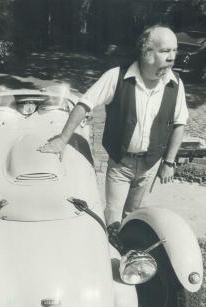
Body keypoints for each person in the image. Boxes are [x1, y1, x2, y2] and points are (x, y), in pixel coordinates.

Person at [38, 25, 188, 245]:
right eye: (165, 51)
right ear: (147, 52)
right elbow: (84, 104)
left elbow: (179, 123)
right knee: (113, 217)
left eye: (175, 51)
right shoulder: (117, 77)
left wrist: (169, 162)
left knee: (133, 213)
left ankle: (127, 255)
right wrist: (62, 139)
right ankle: (109, 254)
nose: (172, 57)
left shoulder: (175, 85)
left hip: (149, 165)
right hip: (121, 163)